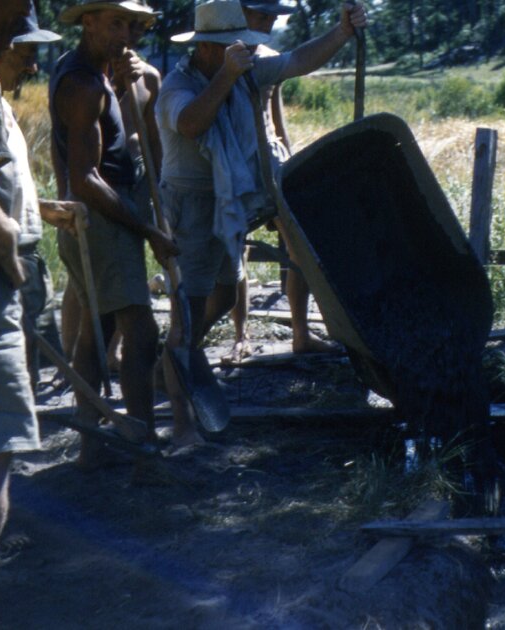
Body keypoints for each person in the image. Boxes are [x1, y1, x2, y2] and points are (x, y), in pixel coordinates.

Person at [156, 0, 367, 445]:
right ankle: (180, 425)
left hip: (225, 202)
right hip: (190, 208)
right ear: (211, 48)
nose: (248, 50)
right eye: (238, 45)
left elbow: (297, 61)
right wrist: (228, 77)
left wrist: (341, 31)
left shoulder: (245, 69)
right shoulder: (177, 84)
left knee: (225, 293)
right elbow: (192, 123)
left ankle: (178, 364)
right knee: (187, 315)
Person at [50, 0, 177, 461]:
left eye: (133, 25)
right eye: (117, 23)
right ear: (88, 22)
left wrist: (125, 88)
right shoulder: (83, 83)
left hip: (95, 217)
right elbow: (87, 175)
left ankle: (91, 441)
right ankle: (142, 443)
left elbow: (99, 142)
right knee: (141, 336)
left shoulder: (92, 72)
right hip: (104, 221)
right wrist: (148, 230)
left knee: (95, 329)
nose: (128, 34)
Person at [226, 0, 340, 362]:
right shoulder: (222, 59)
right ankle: (240, 335)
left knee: (300, 247)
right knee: (235, 250)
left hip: (272, 163)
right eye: (262, 14)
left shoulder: (271, 56)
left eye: (273, 16)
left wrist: (290, 164)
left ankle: (301, 333)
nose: (269, 22)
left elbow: (276, 119)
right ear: (240, 13)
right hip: (236, 166)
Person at [0, 0, 43, 620]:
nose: (30, 55)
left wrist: (34, 216)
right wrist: (8, 252)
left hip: (7, 263)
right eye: (23, 35)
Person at [0, 20, 78, 389]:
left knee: (29, 370)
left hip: (25, 252)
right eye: (25, 55)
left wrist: (38, 208)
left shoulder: (1, 105)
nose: (33, 67)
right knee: (10, 378)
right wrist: (8, 256)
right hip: (4, 257)